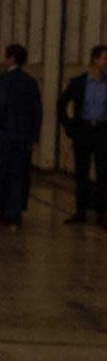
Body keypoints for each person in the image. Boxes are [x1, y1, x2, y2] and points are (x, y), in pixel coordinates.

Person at [0, 44, 42, 228]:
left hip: (3, 135)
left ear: (11, 58)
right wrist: (33, 137)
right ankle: (14, 213)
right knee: (18, 177)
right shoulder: (31, 82)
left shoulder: (2, 80)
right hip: (22, 137)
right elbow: (37, 111)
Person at [57, 44, 107, 227]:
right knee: (81, 173)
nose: (105, 63)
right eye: (104, 58)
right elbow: (62, 103)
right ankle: (80, 211)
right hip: (84, 130)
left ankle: (102, 213)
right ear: (95, 59)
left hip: (102, 131)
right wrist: (70, 127)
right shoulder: (79, 82)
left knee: (103, 174)